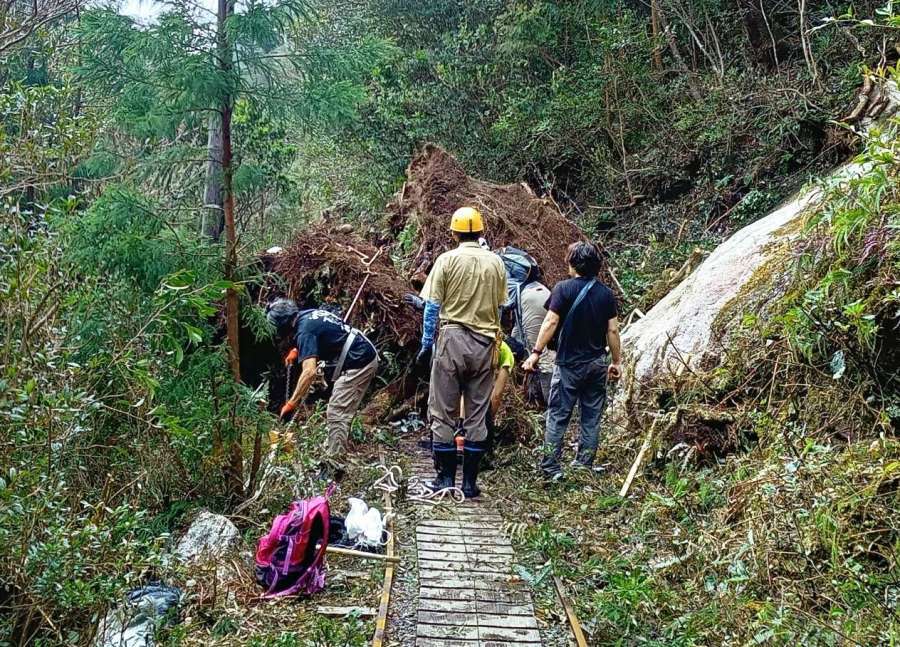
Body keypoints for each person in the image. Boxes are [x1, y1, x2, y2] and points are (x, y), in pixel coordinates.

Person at [417, 206, 507, 498]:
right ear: (481, 231)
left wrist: (426, 343)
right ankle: (469, 484)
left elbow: (432, 307)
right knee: (477, 412)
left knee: (442, 410)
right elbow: (503, 308)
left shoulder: (446, 260)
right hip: (485, 343)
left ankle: (444, 481)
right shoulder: (496, 263)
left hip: (452, 340)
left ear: (454, 232)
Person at [522, 242, 622, 481]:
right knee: (591, 417)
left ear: (573, 264)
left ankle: (551, 466)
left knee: (558, 414)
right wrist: (616, 361)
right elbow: (613, 332)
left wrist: (536, 352)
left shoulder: (563, 289)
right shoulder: (606, 294)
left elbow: (550, 322)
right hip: (597, 363)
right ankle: (583, 465)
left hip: (568, 365)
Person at [266, 298, 379, 478]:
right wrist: (298, 350)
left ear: (283, 325)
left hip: (360, 361)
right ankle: (332, 456)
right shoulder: (306, 315)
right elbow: (323, 332)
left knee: (337, 412)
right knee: (336, 410)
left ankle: (334, 468)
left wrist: (292, 403)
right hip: (357, 351)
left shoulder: (304, 331)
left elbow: (309, 373)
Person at [518, 266, 556, 405]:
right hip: (543, 292)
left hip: (528, 299)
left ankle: (550, 406)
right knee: (545, 353)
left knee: (541, 357)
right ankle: (535, 399)